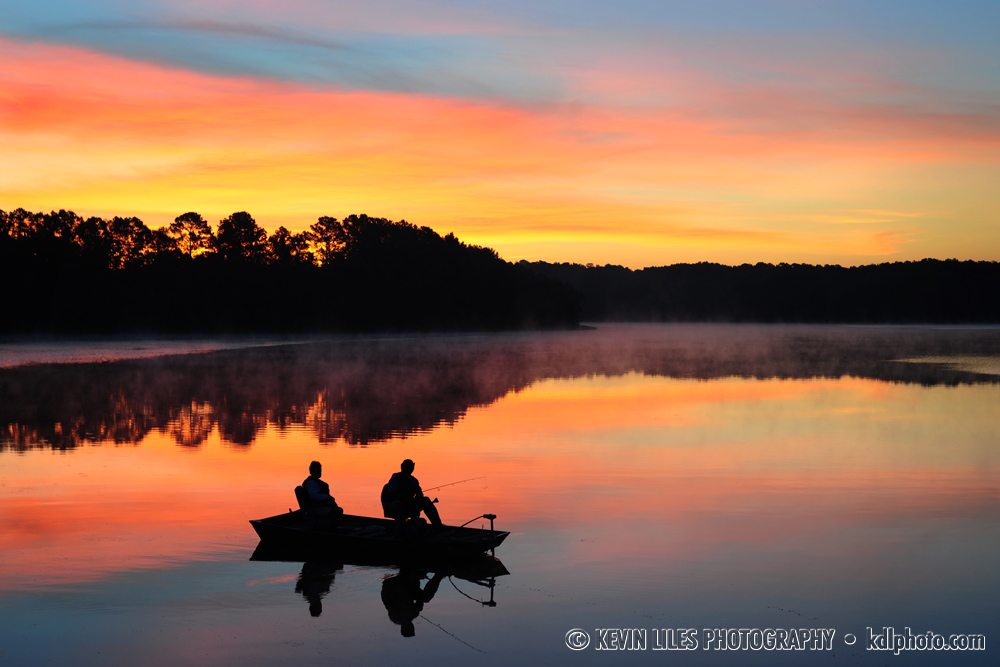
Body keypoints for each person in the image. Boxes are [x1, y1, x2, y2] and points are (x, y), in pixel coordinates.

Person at [381, 459, 443, 527]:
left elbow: (420, 495)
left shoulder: (414, 481)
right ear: (402, 467)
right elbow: (391, 496)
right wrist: (404, 495)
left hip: (408, 505)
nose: (409, 469)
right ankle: (401, 528)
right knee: (398, 505)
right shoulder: (395, 479)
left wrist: (418, 496)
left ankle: (438, 525)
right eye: (407, 467)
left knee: (426, 500)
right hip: (394, 507)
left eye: (411, 468)